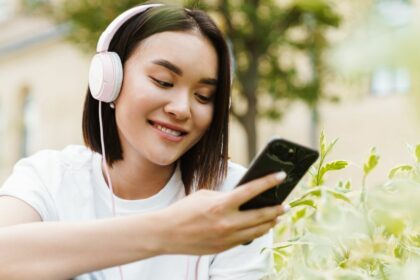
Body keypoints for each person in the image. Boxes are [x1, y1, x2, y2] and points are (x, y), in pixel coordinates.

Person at [0, 3, 289, 280]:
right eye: (163, 81)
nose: (182, 108)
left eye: (203, 96)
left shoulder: (229, 196)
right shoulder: (50, 177)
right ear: (109, 80)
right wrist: (168, 231)